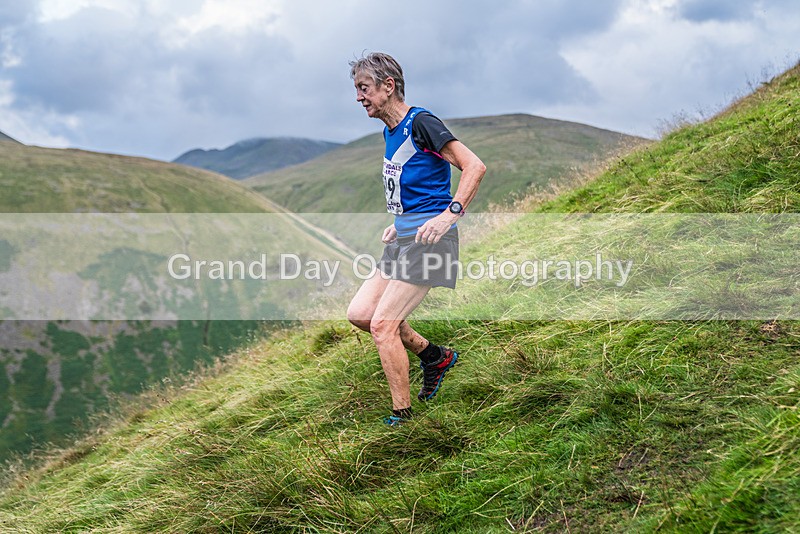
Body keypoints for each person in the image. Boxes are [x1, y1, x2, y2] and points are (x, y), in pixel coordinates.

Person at [346, 52, 486, 426]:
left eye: (364, 89)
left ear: (388, 86)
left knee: (382, 326)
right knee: (361, 315)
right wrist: (401, 219)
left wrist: (449, 215)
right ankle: (435, 357)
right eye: (357, 89)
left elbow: (474, 166)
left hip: (431, 243)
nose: (359, 97)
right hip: (404, 237)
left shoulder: (421, 122)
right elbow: (416, 181)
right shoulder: (390, 130)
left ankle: (403, 418)